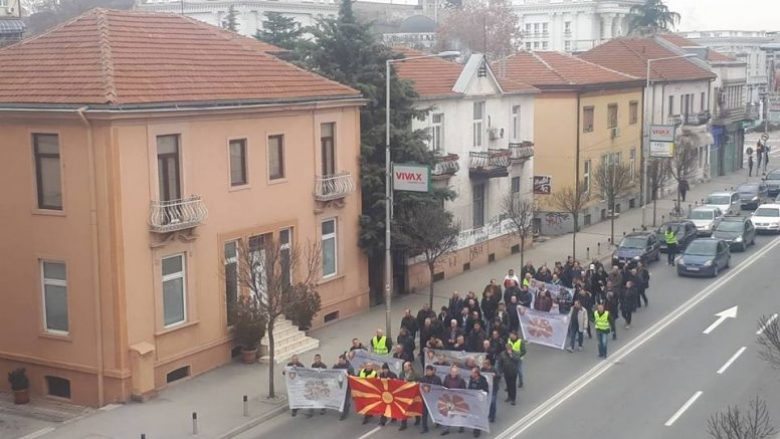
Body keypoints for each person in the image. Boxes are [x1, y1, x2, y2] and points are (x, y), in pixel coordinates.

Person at [441, 366, 466, 436]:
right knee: (447, 413)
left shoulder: (461, 380)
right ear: (450, 371)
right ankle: (445, 429)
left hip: (458, 399)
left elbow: (464, 389)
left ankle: (461, 426)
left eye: (455, 372)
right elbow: (444, 386)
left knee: (459, 413)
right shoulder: (446, 378)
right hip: (449, 399)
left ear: (457, 372)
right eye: (452, 371)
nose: (453, 373)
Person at [467, 367, 490, 437]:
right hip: (473, 401)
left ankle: (477, 430)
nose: (471, 374)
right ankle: (475, 427)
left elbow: (486, 391)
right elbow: (469, 388)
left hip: (480, 401)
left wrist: (481, 394)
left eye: (473, 373)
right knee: (474, 416)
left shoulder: (483, 380)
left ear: (477, 373)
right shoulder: (471, 379)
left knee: (479, 416)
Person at [419, 365, 442, 434]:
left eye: (429, 370)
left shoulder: (437, 379)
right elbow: (420, 387)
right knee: (424, 414)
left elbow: (440, 388)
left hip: (434, 399)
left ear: (432, 371)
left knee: (436, 412)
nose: (427, 372)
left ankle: (438, 422)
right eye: (426, 371)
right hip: (426, 399)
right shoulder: (423, 378)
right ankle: (424, 427)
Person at [398, 361, 421, 431]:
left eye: (405, 367)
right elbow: (398, 382)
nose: (404, 368)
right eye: (404, 367)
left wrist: (412, 383)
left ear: (410, 367)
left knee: (414, 407)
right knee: (404, 409)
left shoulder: (416, 374)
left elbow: (419, 382)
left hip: (413, 394)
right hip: (404, 395)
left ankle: (418, 418)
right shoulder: (401, 374)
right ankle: (403, 424)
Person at [332, 354, 354, 421]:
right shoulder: (338, 365)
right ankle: (346, 407)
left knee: (346, 400)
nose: (339, 362)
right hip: (341, 385)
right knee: (342, 399)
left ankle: (344, 414)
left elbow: (352, 377)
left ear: (344, 360)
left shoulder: (350, 367)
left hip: (347, 386)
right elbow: (332, 371)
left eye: (341, 361)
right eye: (339, 360)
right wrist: (334, 366)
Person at [480, 358, 499, 423]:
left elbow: (499, 376)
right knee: (488, 401)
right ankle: (488, 413)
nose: (482, 365)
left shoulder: (493, 369)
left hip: (493, 388)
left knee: (493, 402)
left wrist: (495, 375)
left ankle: (492, 416)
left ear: (487, 364)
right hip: (486, 388)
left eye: (483, 364)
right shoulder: (482, 369)